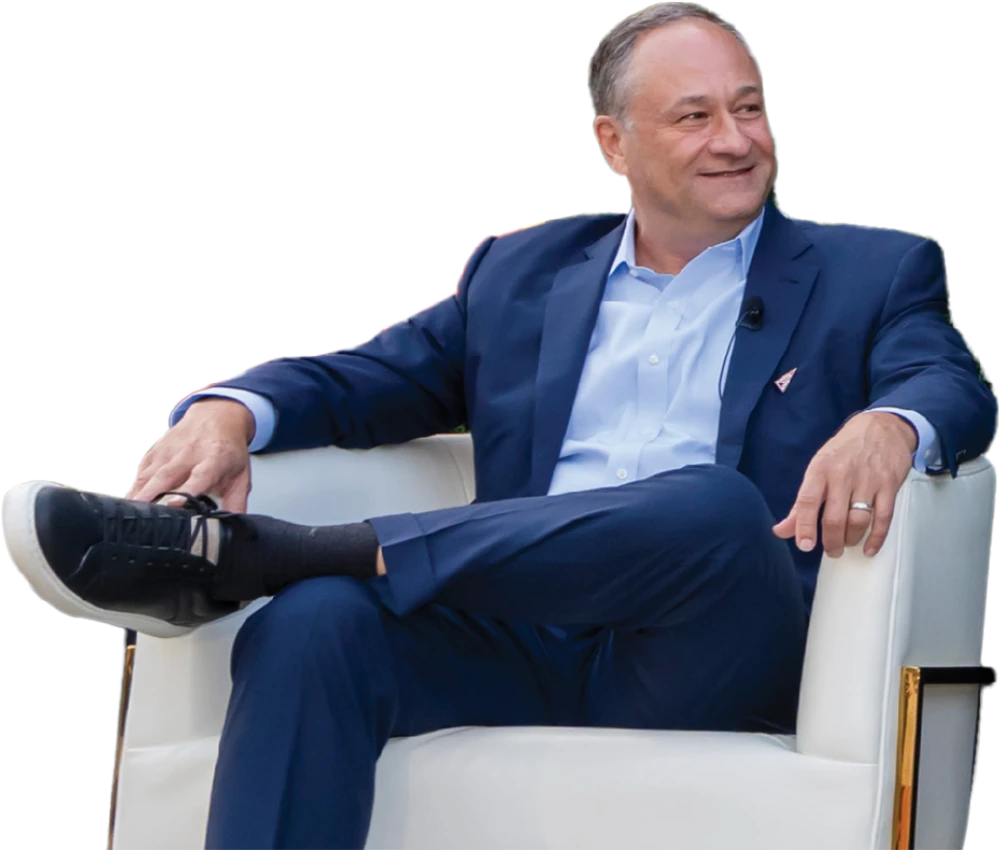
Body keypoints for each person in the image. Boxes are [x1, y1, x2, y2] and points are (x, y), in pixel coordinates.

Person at [1, 3, 997, 849]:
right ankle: (297, 572)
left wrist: (892, 422)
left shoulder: (869, 272)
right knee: (313, 624)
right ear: (613, 141)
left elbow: (950, 385)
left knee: (710, 507)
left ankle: (272, 554)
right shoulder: (520, 273)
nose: (736, 140)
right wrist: (227, 409)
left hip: (710, 645)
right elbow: (367, 377)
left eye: (747, 109)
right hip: (515, 628)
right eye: (693, 116)